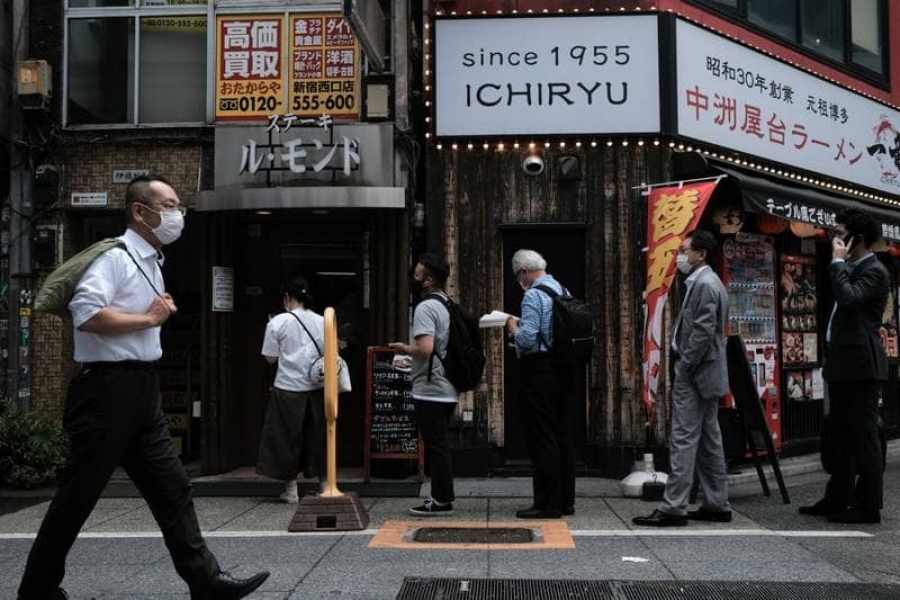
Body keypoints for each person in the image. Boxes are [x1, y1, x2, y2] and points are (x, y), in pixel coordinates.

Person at [17, 176, 270, 600]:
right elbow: (86, 312)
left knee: (172, 487)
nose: (177, 215)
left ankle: (205, 581)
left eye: (178, 207)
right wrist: (149, 320)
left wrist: (152, 317)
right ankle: (37, 588)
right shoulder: (114, 258)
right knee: (77, 497)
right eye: (169, 206)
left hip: (141, 390)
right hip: (106, 392)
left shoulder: (152, 260)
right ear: (140, 211)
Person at [633, 230, 731, 527]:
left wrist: (685, 364)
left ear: (701, 254)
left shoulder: (704, 284)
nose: (681, 256)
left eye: (685, 250)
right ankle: (717, 503)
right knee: (709, 440)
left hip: (695, 371)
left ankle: (673, 506)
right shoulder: (707, 282)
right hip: (708, 371)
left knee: (684, 438)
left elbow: (701, 332)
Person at [799, 208, 888, 524]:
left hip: (862, 365)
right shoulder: (853, 267)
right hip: (843, 363)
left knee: (864, 437)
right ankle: (837, 497)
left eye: (840, 234)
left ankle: (868, 506)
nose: (834, 240)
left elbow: (850, 299)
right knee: (840, 435)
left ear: (857, 238)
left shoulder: (874, 271)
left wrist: (836, 263)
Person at [504, 249, 575, 519]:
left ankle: (547, 503)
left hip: (540, 370)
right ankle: (566, 500)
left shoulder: (533, 294)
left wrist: (512, 327)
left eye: (517, 275)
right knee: (561, 434)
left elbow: (527, 339)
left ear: (523, 272)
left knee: (542, 436)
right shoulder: (561, 289)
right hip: (563, 368)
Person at [388, 253, 459, 516]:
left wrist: (404, 348)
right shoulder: (445, 303)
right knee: (440, 444)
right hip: (446, 384)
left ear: (428, 279)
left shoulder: (426, 307)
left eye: (417, 274)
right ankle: (442, 497)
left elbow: (425, 348)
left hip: (431, 387)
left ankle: (441, 500)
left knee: (436, 445)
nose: (413, 277)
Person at [256, 276, 326, 503]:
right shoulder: (321, 320)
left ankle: (292, 489)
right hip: (316, 388)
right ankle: (324, 484)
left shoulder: (277, 322)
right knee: (317, 436)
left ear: (287, 297)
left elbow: (269, 358)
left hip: (287, 387)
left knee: (286, 438)